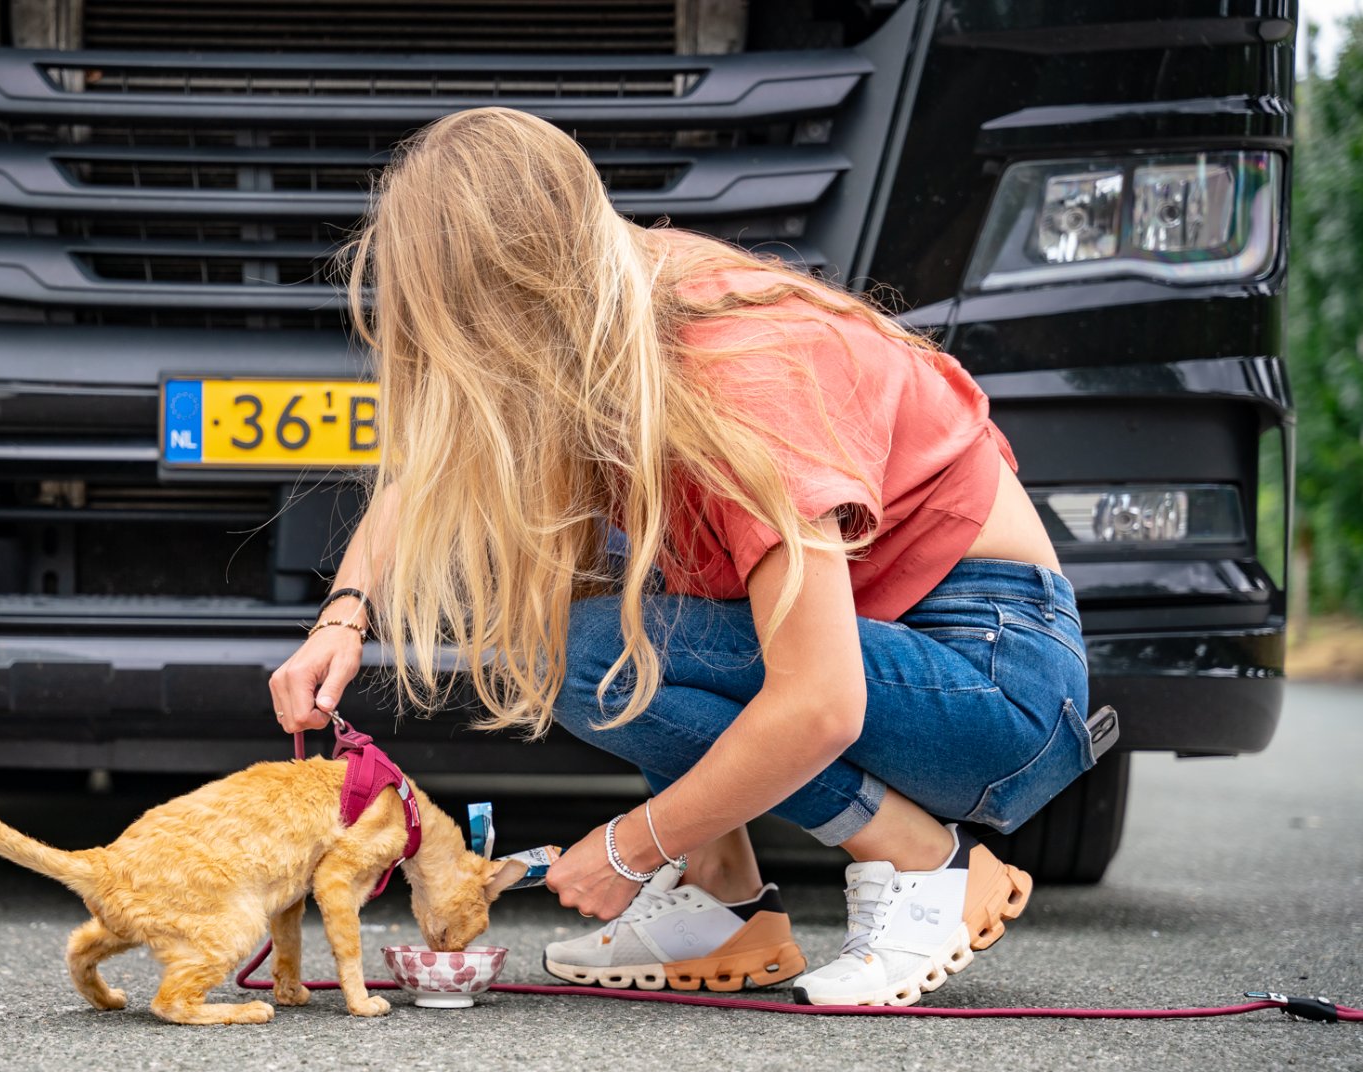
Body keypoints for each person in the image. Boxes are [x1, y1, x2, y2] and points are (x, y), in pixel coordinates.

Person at [268, 107, 1092, 1007]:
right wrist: (343, 615)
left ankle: (929, 866)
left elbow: (821, 704)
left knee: (598, 649)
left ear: (516, 294)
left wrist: (627, 846)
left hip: (995, 678)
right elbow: (429, 460)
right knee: (581, 632)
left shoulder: (739, 369)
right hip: (902, 647)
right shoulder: (604, 302)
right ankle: (724, 906)